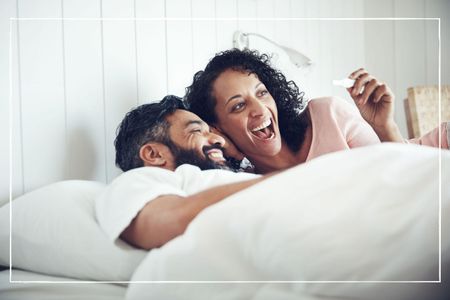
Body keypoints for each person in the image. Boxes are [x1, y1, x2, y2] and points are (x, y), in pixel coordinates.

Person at [185, 49, 449, 174]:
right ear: (217, 127)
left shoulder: (327, 115)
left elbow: (401, 177)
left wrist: (383, 126)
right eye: (238, 105)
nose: (259, 109)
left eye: (262, 93)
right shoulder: (245, 184)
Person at [95, 95, 268, 250]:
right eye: (196, 131)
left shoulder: (227, 175)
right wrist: (284, 181)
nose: (220, 140)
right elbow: (164, 223)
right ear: (154, 155)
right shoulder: (134, 181)